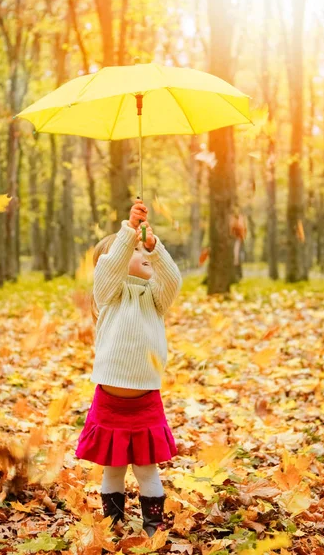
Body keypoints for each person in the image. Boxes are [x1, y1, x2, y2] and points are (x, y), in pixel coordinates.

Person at [75, 198, 182, 538]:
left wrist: (154, 245)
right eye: (136, 252)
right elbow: (108, 269)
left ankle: (153, 527)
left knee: (147, 469)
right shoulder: (109, 295)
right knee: (114, 468)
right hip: (110, 400)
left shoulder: (155, 298)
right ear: (120, 259)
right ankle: (114, 524)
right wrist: (129, 232)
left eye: (143, 251)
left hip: (145, 401)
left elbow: (173, 279)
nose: (143, 254)